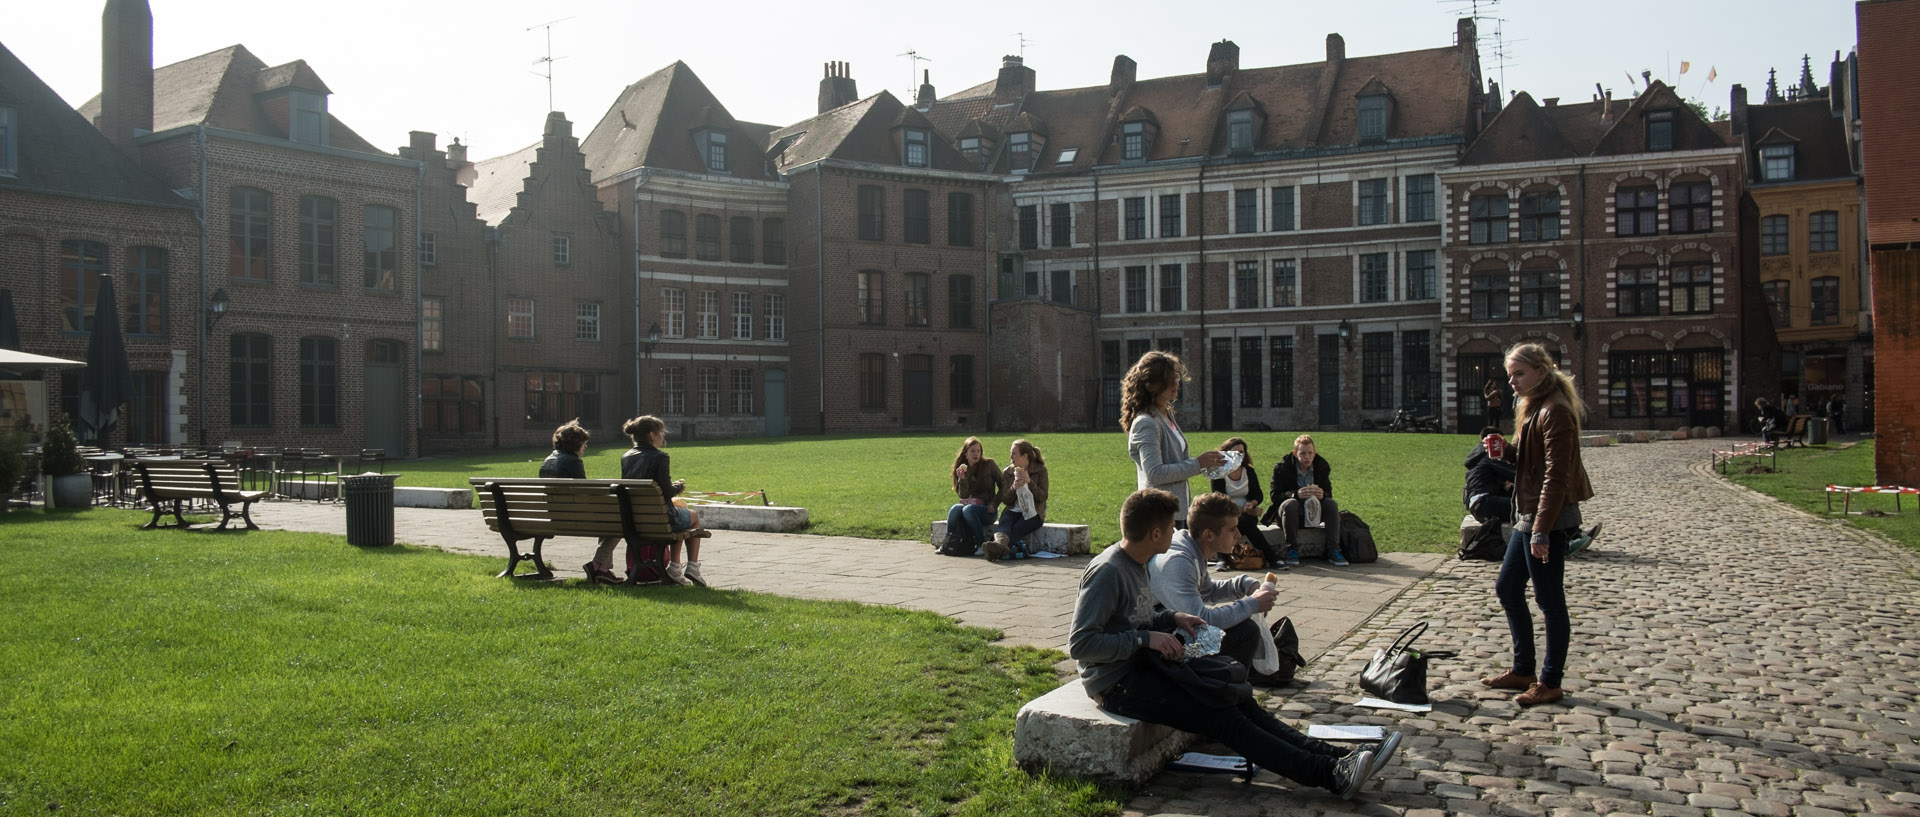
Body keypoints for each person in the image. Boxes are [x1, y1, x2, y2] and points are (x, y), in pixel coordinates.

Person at [1071, 488, 1398, 800]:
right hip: (1116, 684)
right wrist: (1146, 638)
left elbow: (1135, 617)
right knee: (1222, 715)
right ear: (1155, 534)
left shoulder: (1139, 561)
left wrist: (1172, 618)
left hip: (1145, 663)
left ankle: (1340, 757)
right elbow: (1082, 644)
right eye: (1171, 527)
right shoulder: (1108, 572)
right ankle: (1330, 775)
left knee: (1240, 699)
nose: (1176, 533)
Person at [1479, 343, 1595, 707]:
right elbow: (1529, 461)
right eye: (1510, 374)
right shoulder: (1533, 405)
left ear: (1541, 372)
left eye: (1519, 374)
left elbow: (1556, 478)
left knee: (1549, 599)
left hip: (1547, 518)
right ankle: (1523, 668)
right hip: (1528, 515)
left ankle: (1550, 681)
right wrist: (1504, 450)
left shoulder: (1555, 410)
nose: (1511, 381)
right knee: (1508, 588)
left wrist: (1543, 529)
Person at [1148, 492, 1279, 669]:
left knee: (1244, 627)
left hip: (1168, 628)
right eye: (1232, 529)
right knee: (1245, 631)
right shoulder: (1178, 562)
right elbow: (1200, 619)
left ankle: (1232, 681)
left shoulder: (1193, 548)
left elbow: (1207, 590)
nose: (1239, 535)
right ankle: (1226, 688)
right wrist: (1252, 604)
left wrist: (1243, 584)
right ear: (1209, 535)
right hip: (1153, 640)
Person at [1122, 350, 1224, 529]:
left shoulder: (1165, 414)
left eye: (1176, 378)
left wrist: (1207, 465)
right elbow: (1155, 473)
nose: (1176, 383)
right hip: (1159, 516)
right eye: (1168, 380)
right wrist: (1198, 464)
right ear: (1150, 385)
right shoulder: (1147, 422)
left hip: (1176, 510)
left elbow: (1176, 461)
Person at [1465, 428, 1601, 554]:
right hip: (1485, 503)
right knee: (1535, 510)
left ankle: (1574, 535)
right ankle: (1568, 542)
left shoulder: (1477, 456)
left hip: (1481, 504)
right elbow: (1516, 474)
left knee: (1535, 507)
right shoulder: (1488, 454)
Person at [620, 415, 704, 586]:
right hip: (660, 519)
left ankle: (675, 568)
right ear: (652, 434)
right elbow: (666, 492)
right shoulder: (660, 457)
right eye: (661, 432)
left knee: (682, 515)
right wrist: (678, 487)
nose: (663, 436)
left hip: (636, 519)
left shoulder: (626, 457)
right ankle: (689, 567)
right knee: (693, 517)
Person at [539, 419, 624, 583]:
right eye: (584, 443)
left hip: (553, 518)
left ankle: (602, 569)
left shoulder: (547, 461)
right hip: (575, 519)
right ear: (576, 444)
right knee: (619, 522)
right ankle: (598, 565)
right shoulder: (573, 461)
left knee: (609, 520)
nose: (585, 447)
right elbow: (585, 494)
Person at [1263, 434, 1345, 567]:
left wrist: (1322, 494)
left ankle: (1334, 550)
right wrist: (1295, 495)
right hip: (1290, 515)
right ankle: (1292, 549)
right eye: (1303, 453)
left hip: (1314, 513)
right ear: (1295, 453)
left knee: (1331, 504)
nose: (1307, 457)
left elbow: (1329, 493)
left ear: (1315, 453)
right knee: (1291, 503)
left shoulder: (1321, 466)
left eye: (1310, 453)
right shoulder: (1282, 468)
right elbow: (1275, 496)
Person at [1209, 437, 1283, 570]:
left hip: (1247, 513)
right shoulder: (1219, 472)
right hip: (1226, 511)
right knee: (1225, 524)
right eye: (1234, 452)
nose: (1238, 455)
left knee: (1246, 522)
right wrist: (1240, 510)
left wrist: (1252, 503)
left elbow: (1258, 494)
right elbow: (1219, 497)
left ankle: (1272, 559)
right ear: (1226, 453)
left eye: (1241, 452)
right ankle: (1223, 560)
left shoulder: (1248, 471)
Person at [945, 437, 1004, 557]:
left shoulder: (989, 465)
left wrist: (994, 503)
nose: (976, 454)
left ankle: (981, 544)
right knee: (955, 508)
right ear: (965, 453)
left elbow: (1004, 486)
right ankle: (948, 542)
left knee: (968, 509)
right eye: (972, 451)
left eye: (978, 451)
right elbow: (963, 496)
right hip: (971, 508)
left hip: (987, 510)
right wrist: (962, 480)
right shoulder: (962, 469)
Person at [992, 439, 1048, 560]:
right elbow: (1006, 500)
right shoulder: (1008, 472)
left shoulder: (1040, 470)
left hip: (1033, 512)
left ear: (1024, 456)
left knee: (1018, 528)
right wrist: (1013, 488)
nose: (1011, 457)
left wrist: (1030, 482)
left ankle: (997, 549)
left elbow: (1042, 496)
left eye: (1014, 453)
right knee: (1005, 523)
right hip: (1013, 509)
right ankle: (999, 546)